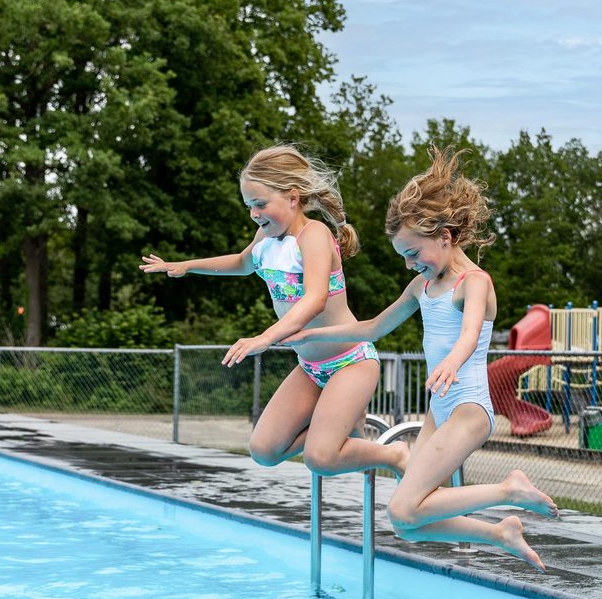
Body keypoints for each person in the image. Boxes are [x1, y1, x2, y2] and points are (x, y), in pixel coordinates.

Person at [284, 148, 559, 569]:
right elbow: (371, 327)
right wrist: (303, 333)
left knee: (403, 509)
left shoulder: (474, 282)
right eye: (404, 257)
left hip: (468, 407)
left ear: (445, 237)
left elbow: (468, 333)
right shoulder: (421, 287)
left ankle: (509, 490)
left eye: (415, 253)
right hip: (439, 409)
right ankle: (501, 533)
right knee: (408, 521)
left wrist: (451, 362)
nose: (411, 264)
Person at [139, 145, 406, 479]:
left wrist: (265, 338)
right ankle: (341, 424)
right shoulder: (265, 239)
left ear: (293, 198)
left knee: (320, 458)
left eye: (260, 204)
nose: (254, 213)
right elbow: (240, 262)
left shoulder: (315, 236)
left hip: (350, 362)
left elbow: (315, 300)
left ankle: (395, 454)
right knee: (265, 450)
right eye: (249, 206)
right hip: (311, 368)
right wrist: (186, 266)